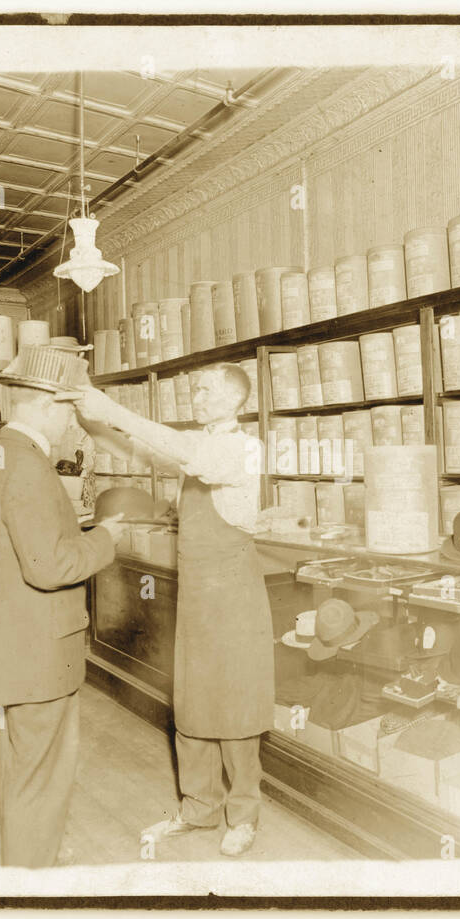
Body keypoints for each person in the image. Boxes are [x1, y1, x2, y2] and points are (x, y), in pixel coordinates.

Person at [76, 362, 274, 856]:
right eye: (196, 389)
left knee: (236, 704)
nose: (197, 396)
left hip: (233, 595)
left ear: (234, 399)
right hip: (198, 595)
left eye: (206, 390)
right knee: (192, 700)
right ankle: (199, 809)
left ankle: (243, 816)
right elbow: (147, 449)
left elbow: (198, 459)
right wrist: (92, 415)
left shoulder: (242, 448)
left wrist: (114, 410)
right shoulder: (201, 444)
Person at [0, 344, 126, 867]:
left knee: (22, 771)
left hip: (7, 645)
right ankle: (32, 886)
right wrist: (107, 537)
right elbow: (49, 567)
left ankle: (30, 864)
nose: (73, 424)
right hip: (36, 654)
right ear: (50, 404)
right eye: (71, 411)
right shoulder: (29, 466)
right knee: (41, 776)